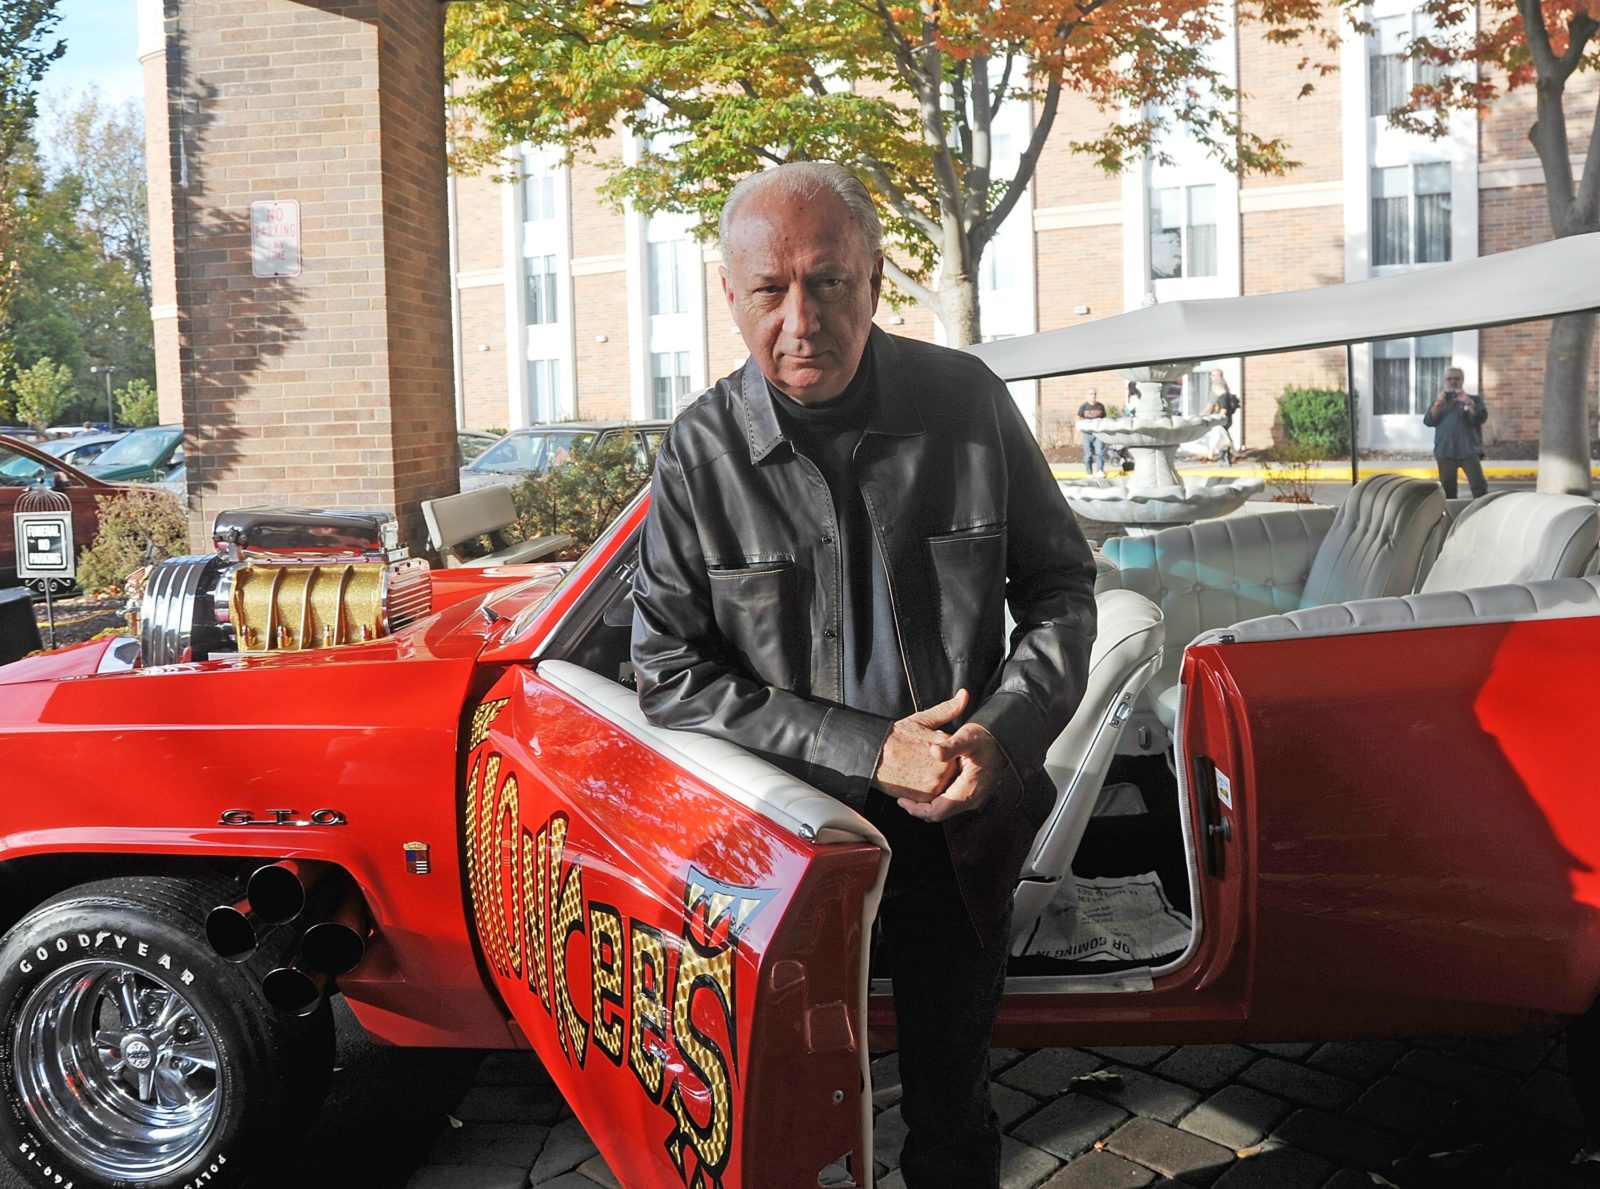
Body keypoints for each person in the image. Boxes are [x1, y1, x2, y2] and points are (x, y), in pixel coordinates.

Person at [630, 162, 1098, 1189]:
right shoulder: (699, 452)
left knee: (952, 1106)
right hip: (790, 850)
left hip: (958, 829)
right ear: (729, 296)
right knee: (768, 1116)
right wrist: (863, 747)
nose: (801, 319)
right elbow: (664, 669)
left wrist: (1003, 734)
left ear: (875, 278)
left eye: (828, 281)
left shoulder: (967, 404)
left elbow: (1063, 587)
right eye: (769, 290)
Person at [1423, 367, 1489, 498]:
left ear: (1462, 380)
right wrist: (1438, 403)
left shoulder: (1473, 399)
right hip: (1445, 452)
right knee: (1448, 491)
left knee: (1479, 487)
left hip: (1469, 451)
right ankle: (1452, 517)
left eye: (1456, 379)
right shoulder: (1439, 402)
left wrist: (1468, 402)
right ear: (1445, 381)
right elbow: (1428, 421)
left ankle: (1482, 513)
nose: (1453, 381)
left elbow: (1480, 418)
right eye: (1449, 379)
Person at [1204, 369, 1240, 466]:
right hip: (1226, 420)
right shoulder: (1225, 394)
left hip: (1223, 421)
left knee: (1222, 439)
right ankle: (1228, 456)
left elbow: (1223, 410)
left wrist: (1217, 418)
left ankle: (1225, 457)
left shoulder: (1222, 397)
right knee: (1224, 438)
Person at [1078, 386, 1107, 477]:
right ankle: (1089, 472)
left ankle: (1100, 470)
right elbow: (1078, 417)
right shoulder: (1084, 407)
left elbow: (1104, 418)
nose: (1093, 396)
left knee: (1100, 452)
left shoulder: (1100, 406)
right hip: (1087, 433)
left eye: (1094, 394)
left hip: (1098, 433)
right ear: (1087, 395)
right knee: (1088, 454)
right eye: (1091, 394)